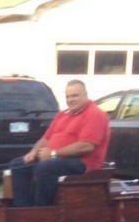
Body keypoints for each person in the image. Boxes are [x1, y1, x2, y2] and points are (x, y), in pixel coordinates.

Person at [10, 79, 110, 207]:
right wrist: (33, 152)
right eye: (68, 96)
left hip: (83, 163)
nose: (71, 99)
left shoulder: (95, 115)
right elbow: (45, 139)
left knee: (45, 168)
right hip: (56, 158)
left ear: (85, 95)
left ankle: (41, 211)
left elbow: (86, 146)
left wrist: (53, 154)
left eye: (75, 95)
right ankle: (22, 210)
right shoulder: (63, 114)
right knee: (19, 165)